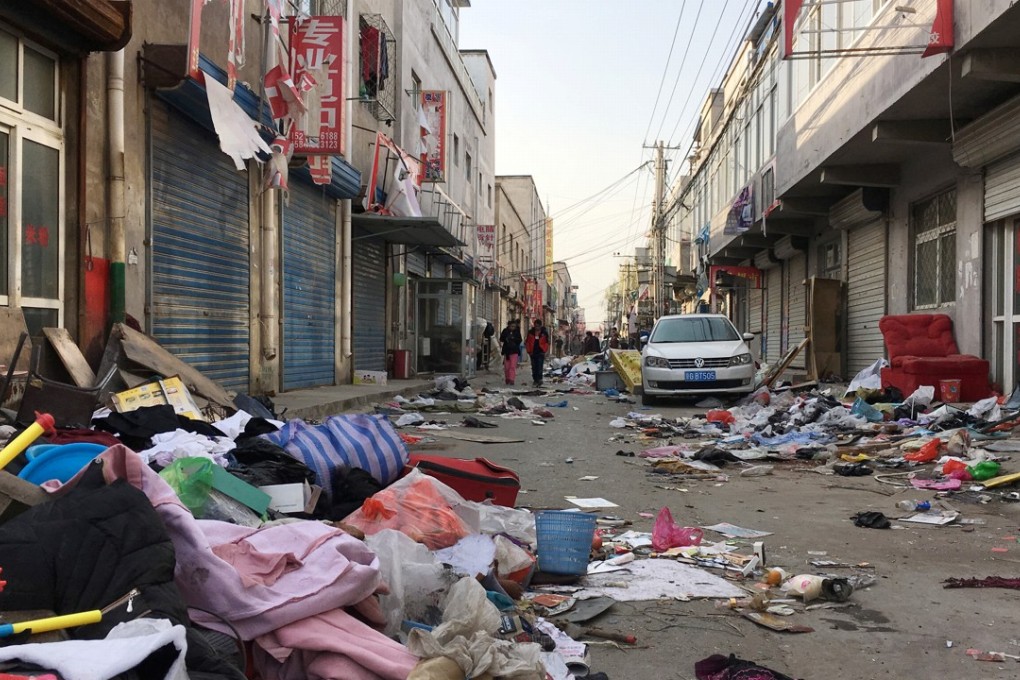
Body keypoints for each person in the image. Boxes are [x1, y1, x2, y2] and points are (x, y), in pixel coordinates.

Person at [524, 318, 551, 387]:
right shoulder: (531, 332)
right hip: (532, 352)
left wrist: (544, 350)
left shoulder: (544, 333)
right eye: (535, 326)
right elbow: (527, 342)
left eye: (538, 326)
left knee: (539, 366)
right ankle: (535, 380)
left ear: (540, 326)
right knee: (534, 367)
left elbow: (547, 342)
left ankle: (539, 379)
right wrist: (528, 350)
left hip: (540, 351)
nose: (537, 327)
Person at [499, 319, 523, 385]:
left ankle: (512, 379)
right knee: (507, 367)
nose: (512, 328)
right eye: (511, 326)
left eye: (514, 326)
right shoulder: (505, 331)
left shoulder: (517, 332)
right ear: (509, 325)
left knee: (512, 366)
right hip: (507, 351)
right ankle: (507, 378)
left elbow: (520, 340)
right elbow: (501, 339)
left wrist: (513, 339)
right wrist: (506, 338)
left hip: (514, 351)